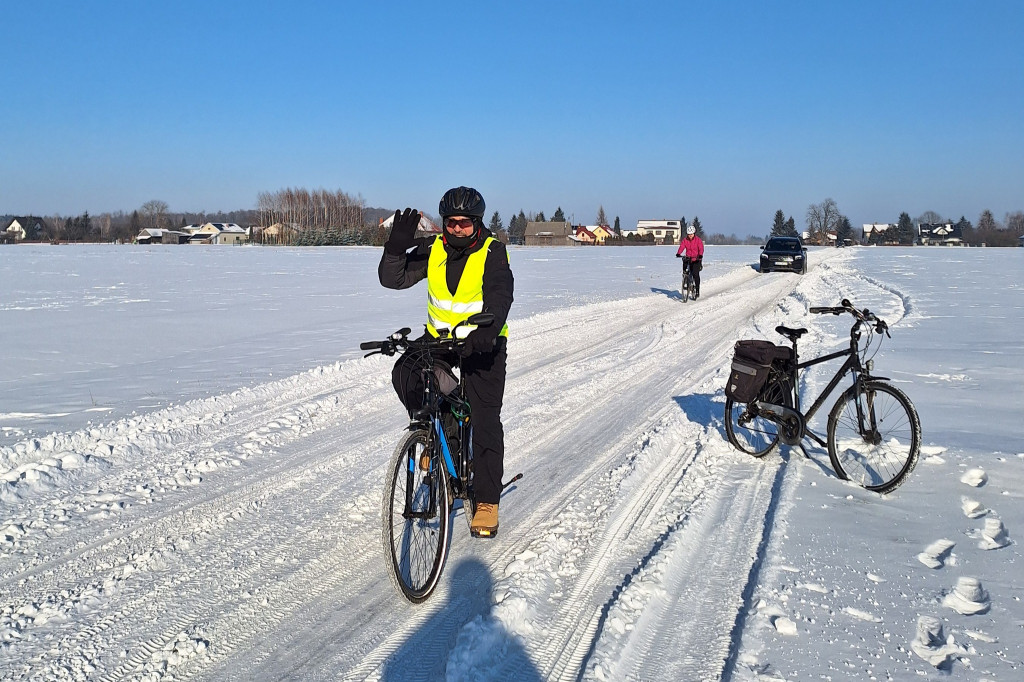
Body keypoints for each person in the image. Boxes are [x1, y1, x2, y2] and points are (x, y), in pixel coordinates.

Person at [378, 186, 513, 538]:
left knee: (485, 418)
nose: (456, 229)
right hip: (439, 339)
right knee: (405, 372)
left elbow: (501, 292)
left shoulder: (492, 251)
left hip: (483, 341)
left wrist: (491, 326)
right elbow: (392, 279)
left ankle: (485, 500)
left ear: (477, 223)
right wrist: (395, 248)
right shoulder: (434, 248)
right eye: (451, 222)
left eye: (464, 223)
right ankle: (443, 430)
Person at [676, 224, 705, 298]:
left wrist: (700, 255)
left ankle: (697, 290)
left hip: (696, 259)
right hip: (688, 258)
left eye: (691, 234)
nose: (690, 236)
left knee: (695, 274)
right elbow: (682, 246)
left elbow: (701, 248)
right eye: (689, 234)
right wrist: (679, 253)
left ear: (694, 233)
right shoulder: (685, 240)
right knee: (685, 266)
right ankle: (686, 278)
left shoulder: (698, 240)